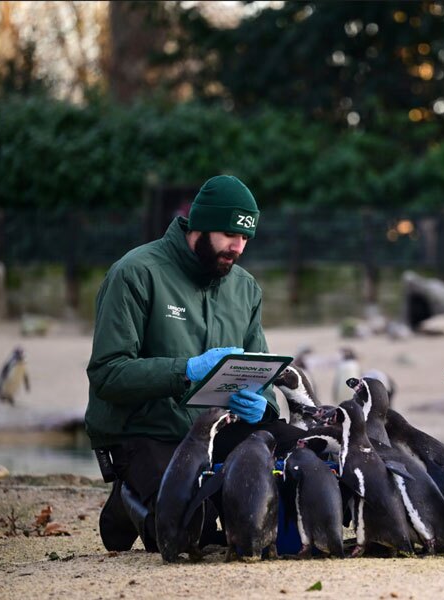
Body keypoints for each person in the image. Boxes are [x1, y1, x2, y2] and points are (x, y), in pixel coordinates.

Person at [85, 174, 284, 553]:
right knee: (194, 534)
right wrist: (187, 370)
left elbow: (263, 375)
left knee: (299, 457)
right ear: (202, 225)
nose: (239, 247)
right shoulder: (135, 273)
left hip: (216, 427)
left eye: (245, 238)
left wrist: (265, 406)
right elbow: (107, 375)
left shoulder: (245, 288)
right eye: (230, 235)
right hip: (146, 430)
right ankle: (127, 503)